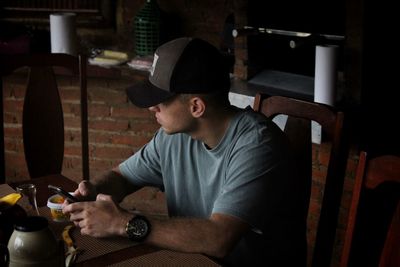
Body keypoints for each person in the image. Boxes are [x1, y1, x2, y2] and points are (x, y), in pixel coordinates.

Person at [63, 37, 307, 266]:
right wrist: (94, 189)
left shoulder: (258, 146)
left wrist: (122, 223)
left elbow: (220, 239)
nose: (151, 108)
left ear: (196, 106)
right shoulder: (173, 136)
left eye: (160, 100)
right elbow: (121, 178)